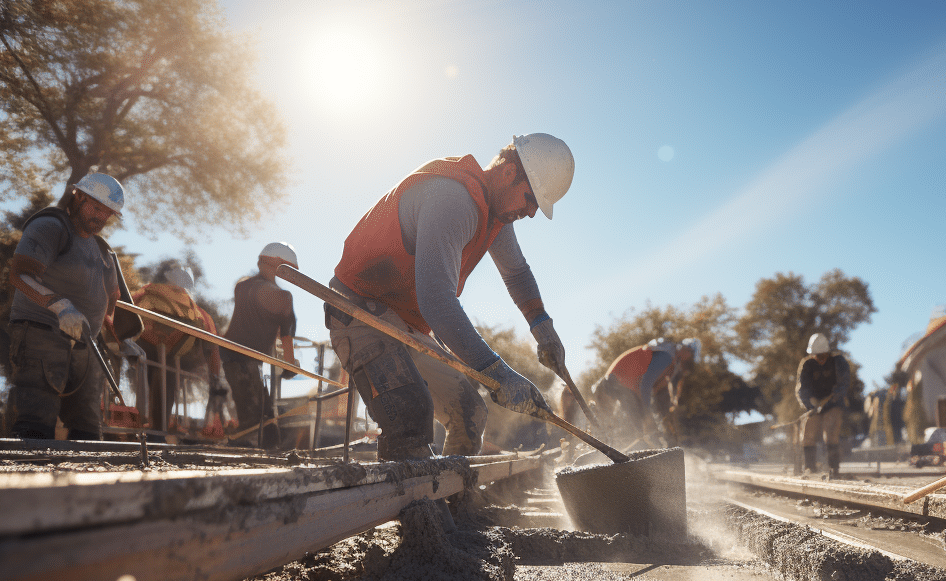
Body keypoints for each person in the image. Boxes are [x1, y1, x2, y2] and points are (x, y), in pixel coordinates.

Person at [327, 134, 573, 460]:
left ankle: (458, 505)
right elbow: (437, 302)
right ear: (510, 172)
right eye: (530, 200)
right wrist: (497, 374)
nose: (529, 213)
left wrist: (543, 328)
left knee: (470, 413)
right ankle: (417, 508)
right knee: (410, 413)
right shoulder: (453, 201)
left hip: (404, 323)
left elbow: (517, 274)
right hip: (359, 311)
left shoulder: (494, 211)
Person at [6, 172, 124, 440]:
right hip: (41, 333)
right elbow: (21, 274)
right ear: (78, 196)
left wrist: (119, 338)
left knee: (88, 430)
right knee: (35, 423)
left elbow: (108, 301)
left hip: (87, 344)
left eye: (107, 213)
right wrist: (60, 306)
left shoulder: (103, 251)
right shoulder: (51, 226)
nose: (100, 217)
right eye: (96, 207)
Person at [221, 242, 299, 449]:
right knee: (253, 416)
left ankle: (269, 450)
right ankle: (244, 453)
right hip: (240, 357)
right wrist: (290, 364)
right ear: (280, 267)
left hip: (237, 356)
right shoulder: (283, 297)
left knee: (265, 413)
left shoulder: (242, 286)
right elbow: (286, 334)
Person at [131, 263, 226, 432]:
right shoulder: (149, 296)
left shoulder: (199, 313)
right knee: (160, 376)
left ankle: (156, 429)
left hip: (169, 359)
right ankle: (153, 428)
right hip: (151, 355)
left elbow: (212, 348)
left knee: (163, 377)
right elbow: (136, 325)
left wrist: (215, 377)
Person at [591, 337, 698, 446]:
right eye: (692, 355)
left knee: (642, 425)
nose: (690, 359)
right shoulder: (666, 356)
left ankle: (652, 449)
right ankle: (637, 450)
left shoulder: (671, 362)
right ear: (686, 350)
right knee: (639, 423)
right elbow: (646, 385)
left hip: (625, 385)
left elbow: (656, 391)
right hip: (616, 382)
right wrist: (647, 413)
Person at [795, 333, 850, 475]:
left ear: (827, 352)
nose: (819, 359)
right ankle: (809, 467)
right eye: (816, 355)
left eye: (822, 355)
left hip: (833, 404)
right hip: (814, 405)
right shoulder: (807, 364)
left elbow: (844, 383)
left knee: (830, 432)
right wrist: (810, 404)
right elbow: (802, 389)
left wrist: (832, 398)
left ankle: (833, 468)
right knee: (807, 433)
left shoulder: (838, 362)